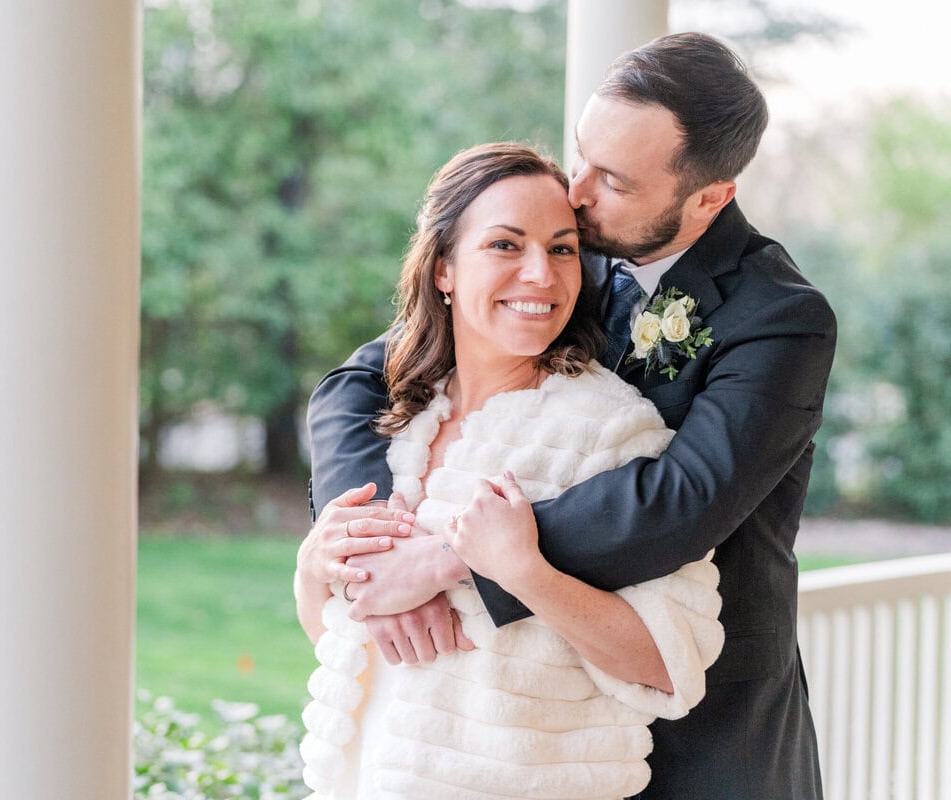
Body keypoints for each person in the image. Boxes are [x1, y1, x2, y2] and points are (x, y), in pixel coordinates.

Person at [305, 33, 834, 800]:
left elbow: (680, 501)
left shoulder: (781, 320)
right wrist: (374, 540)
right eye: (581, 154)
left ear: (709, 198)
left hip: (707, 728)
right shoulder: (557, 252)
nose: (577, 191)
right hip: (524, 736)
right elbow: (362, 380)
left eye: (612, 179)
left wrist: (459, 554)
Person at [294, 142, 724, 800]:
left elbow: (670, 665)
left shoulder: (608, 430)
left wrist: (523, 570)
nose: (541, 275)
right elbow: (349, 648)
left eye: (560, 248)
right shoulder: (399, 422)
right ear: (443, 268)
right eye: (505, 245)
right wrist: (313, 569)